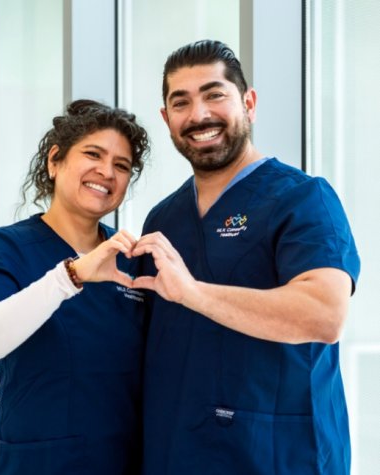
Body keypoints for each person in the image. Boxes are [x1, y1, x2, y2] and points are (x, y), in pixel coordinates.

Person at [131, 40, 360, 475]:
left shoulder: (303, 199)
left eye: (215, 94)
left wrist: (194, 293)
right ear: (166, 118)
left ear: (248, 102)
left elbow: (324, 315)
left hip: (277, 455)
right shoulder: (163, 219)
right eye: (181, 102)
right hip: (176, 454)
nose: (199, 115)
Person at [0, 99, 149, 475]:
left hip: (118, 461)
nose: (107, 172)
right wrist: (71, 275)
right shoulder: (9, 246)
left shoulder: (130, 257)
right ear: (55, 160)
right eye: (92, 154)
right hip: (34, 463)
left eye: (122, 165)